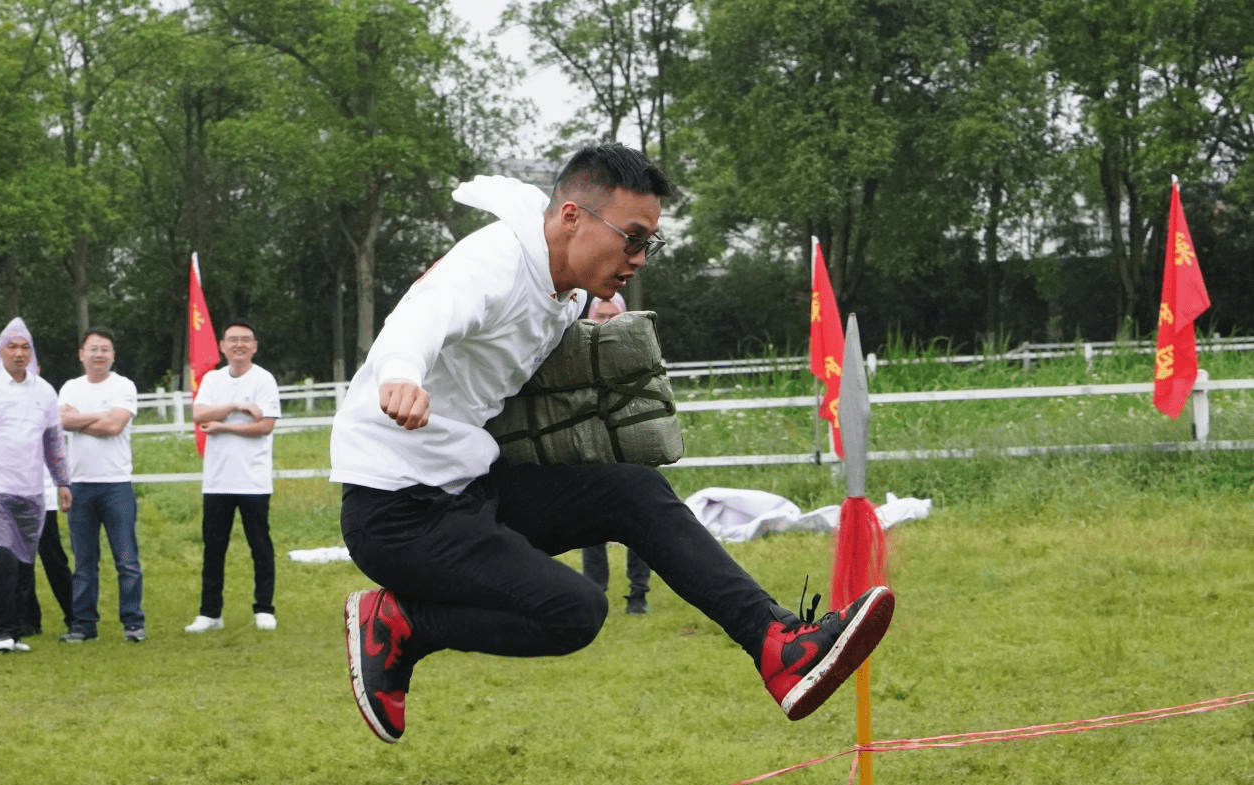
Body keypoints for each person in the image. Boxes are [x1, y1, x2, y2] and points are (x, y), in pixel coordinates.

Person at [330, 143, 895, 744]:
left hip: (467, 487)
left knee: (635, 493)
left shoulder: (567, 282)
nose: (639, 258)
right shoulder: (492, 264)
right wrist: (400, 376)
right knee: (573, 611)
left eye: (649, 242)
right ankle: (398, 623)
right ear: (572, 217)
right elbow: (419, 316)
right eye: (631, 237)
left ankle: (779, 645)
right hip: (398, 514)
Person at [185, 320, 281, 633]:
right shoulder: (212, 379)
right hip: (217, 480)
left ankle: (264, 608)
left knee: (260, 545)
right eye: (232, 340)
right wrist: (237, 406)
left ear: (254, 346)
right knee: (214, 547)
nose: (238, 345)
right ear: (223, 346)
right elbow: (199, 414)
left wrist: (224, 423)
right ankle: (210, 613)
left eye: (245, 340)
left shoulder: (264, 379)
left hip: (253, 480)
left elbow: (265, 425)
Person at [0, 318, 72, 653]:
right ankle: (3, 632)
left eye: (25, 347)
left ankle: (17, 631)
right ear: (0, 350)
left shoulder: (44, 391)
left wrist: (62, 482)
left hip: (31, 490)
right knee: (3, 557)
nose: (19, 353)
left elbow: (53, 443)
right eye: (12, 346)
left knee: (23, 561)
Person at [57, 327, 145, 643]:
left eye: (105, 349)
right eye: (93, 349)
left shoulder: (124, 386)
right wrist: (95, 416)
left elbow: (113, 426)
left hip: (116, 485)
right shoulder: (69, 387)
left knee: (127, 559)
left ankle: (133, 623)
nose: (98, 354)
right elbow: (60, 422)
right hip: (79, 484)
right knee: (84, 562)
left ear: (113, 355)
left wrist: (80, 419)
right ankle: (83, 625)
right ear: (81, 354)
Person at [578, 292, 654, 615]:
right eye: (601, 316)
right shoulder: (577, 356)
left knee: (639, 519)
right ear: (590, 318)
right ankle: (596, 593)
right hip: (591, 445)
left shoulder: (638, 354)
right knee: (589, 521)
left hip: (630, 444)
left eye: (613, 317)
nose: (606, 323)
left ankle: (639, 595)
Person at [19, 467, 76, 637]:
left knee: (53, 560)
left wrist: (62, 484)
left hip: (43, 499)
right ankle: (27, 621)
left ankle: (75, 615)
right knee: (21, 562)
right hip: (15, 497)